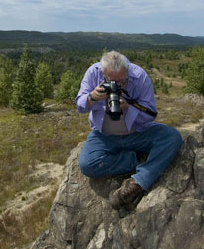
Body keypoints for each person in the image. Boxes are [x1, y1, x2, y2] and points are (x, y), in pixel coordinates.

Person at [75, 51, 183, 209]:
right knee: (86, 164)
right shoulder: (93, 72)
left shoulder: (139, 76)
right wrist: (92, 97)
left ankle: (138, 182)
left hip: (136, 132)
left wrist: (130, 108)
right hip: (104, 135)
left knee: (172, 137)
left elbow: (150, 115)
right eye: (113, 81)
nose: (118, 85)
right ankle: (136, 159)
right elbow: (80, 106)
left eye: (122, 81)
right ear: (102, 74)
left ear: (127, 70)